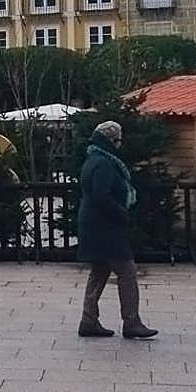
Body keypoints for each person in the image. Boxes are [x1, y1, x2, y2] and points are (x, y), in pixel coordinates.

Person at [77, 120, 158, 339]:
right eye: (119, 139)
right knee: (127, 272)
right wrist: (122, 214)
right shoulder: (104, 163)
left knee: (99, 271)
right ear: (112, 140)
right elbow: (101, 196)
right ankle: (131, 322)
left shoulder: (92, 159)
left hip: (93, 225)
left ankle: (88, 319)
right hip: (106, 228)